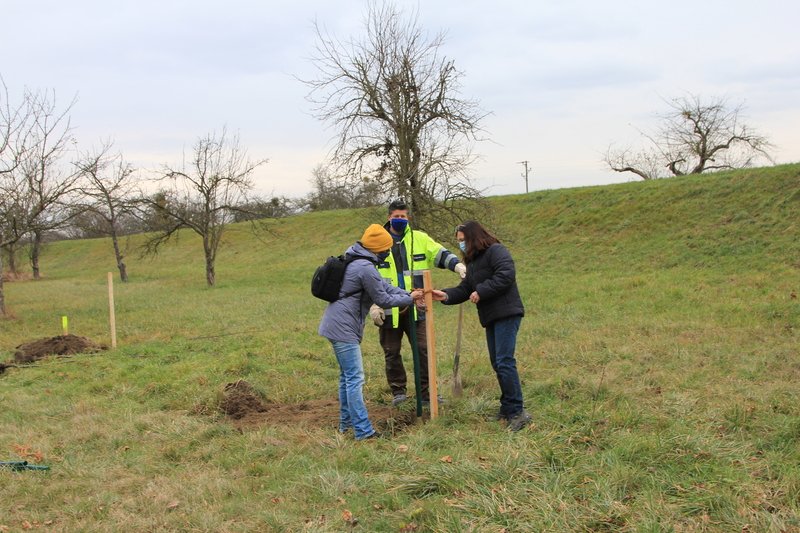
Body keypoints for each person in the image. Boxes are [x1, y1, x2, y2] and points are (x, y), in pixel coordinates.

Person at [319, 224, 424, 440]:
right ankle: (363, 431)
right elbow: (383, 299)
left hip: (336, 324)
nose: (388, 252)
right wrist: (410, 299)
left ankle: (346, 426)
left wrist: (407, 292)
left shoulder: (358, 260)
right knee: (355, 379)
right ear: (378, 248)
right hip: (343, 327)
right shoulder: (364, 267)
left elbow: (384, 288)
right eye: (386, 248)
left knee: (346, 378)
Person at [431, 221, 532, 432]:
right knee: (497, 362)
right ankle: (507, 408)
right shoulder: (473, 262)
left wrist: (482, 291)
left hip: (507, 312)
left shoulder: (497, 251)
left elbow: (506, 275)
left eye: (463, 240)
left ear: (474, 237)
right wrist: (446, 295)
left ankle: (518, 411)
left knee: (505, 361)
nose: (461, 245)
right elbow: (466, 288)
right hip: (491, 317)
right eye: (458, 242)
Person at [369, 199, 466, 407]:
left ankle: (427, 392)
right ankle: (399, 392)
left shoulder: (419, 239)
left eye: (403, 217)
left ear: (408, 218)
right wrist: (372, 304)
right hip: (389, 307)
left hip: (417, 306)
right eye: (396, 217)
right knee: (392, 351)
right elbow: (367, 275)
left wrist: (458, 266)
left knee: (423, 349)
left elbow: (440, 254)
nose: (400, 220)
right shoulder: (378, 242)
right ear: (389, 217)